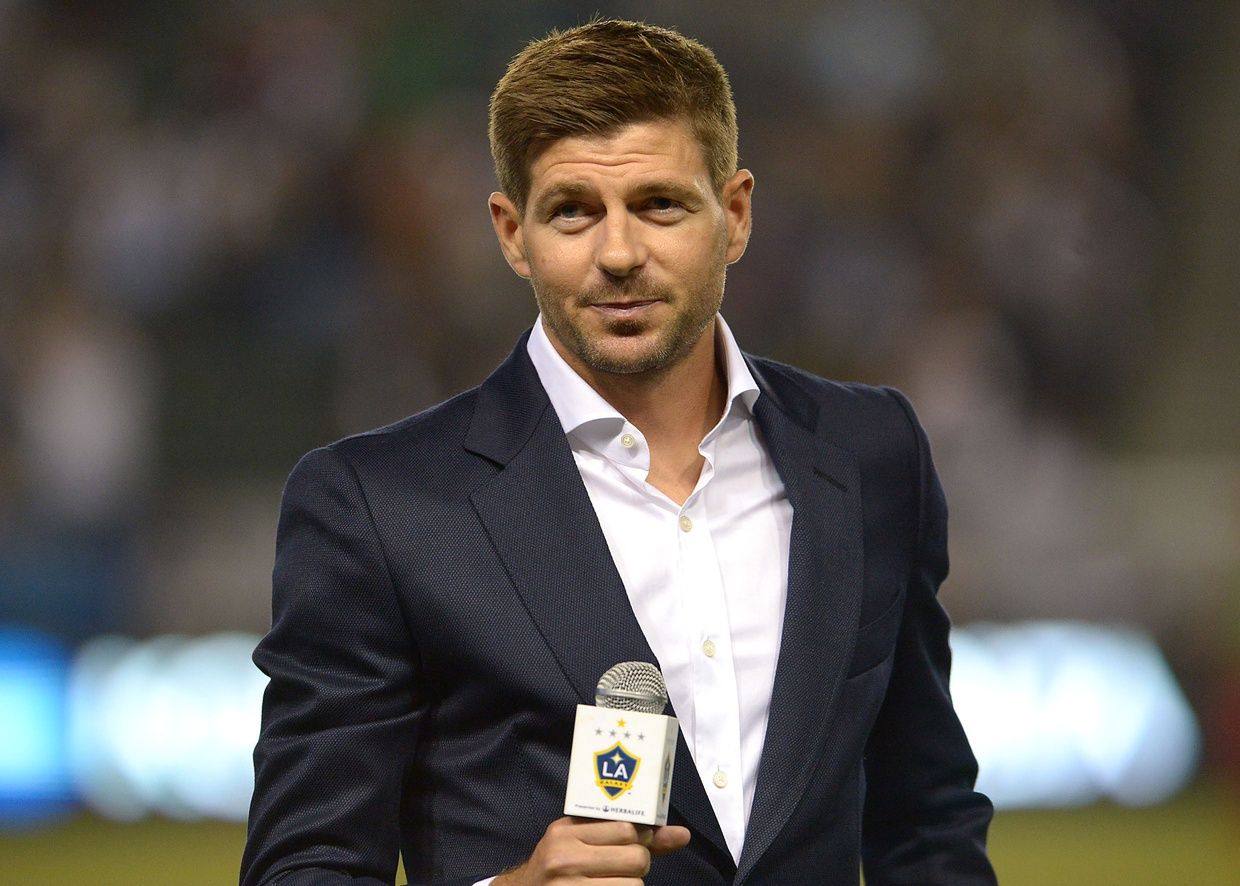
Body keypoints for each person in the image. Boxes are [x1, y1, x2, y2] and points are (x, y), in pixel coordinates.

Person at [241, 19, 996, 886]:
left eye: (659, 204)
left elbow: (927, 819)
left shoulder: (871, 455)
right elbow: (303, 867)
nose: (620, 254)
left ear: (736, 213)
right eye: (573, 211)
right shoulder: (378, 507)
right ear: (511, 232)